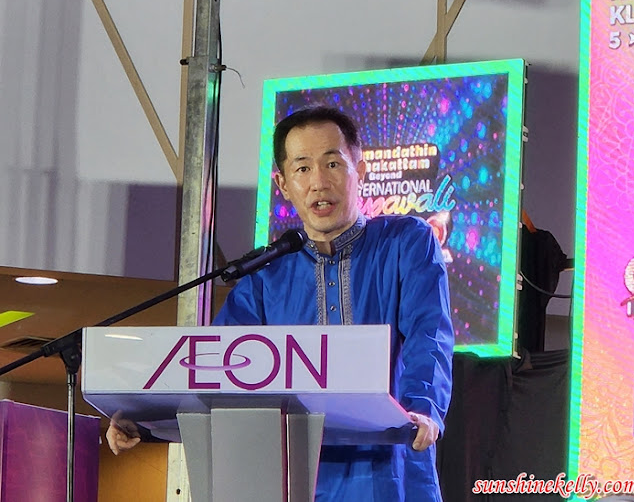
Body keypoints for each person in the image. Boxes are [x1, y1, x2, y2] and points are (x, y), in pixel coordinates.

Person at [107, 105, 454, 501]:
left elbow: (431, 334)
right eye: (303, 168)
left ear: (361, 170)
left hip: (388, 468)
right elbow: (215, 368)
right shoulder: (265, 273)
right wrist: (143, 417)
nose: (319, 182)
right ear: (284, 184)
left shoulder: (405, 242)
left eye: (333, 164)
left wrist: (424, 408)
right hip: (291, 477)